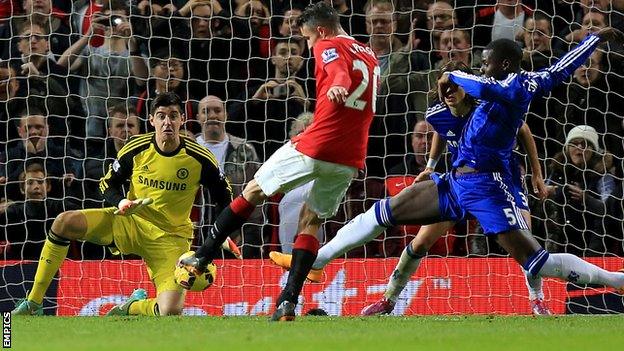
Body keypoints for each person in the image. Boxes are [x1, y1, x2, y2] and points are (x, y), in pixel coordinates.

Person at [272, 28, 624, 317]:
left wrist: (453, 74)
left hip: (491, 186)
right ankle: (319, 260)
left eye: (486, 63)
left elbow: (487, 89)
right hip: (455, 180)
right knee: (386, 211)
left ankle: (613, 279)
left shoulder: (514, 87)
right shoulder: (479, 94)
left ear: (502, 63)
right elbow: (561, 68)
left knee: (536, 260)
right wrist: (594, 38)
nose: (482, 68)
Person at [271, 61, 552, 315]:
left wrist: (536, 175)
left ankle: (536, 299)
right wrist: (430, 165)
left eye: (455, 86)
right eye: (446, 87)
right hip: (461, 183)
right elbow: (441, 132)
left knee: (525, 242)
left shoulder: (487, 106)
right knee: (420, 241)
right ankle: (389, 300)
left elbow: (523, 130)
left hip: (502, 181)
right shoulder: (439, 112)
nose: (450, 92)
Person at [178, 2, 379, 322]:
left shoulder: (327, 44)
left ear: (321, 31)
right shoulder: (369, 54)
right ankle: (288, 301)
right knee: (312, 220)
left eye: (308, 39)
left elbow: (336, 69)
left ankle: (201, 256)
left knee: (254, 190)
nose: (310, 46)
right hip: (350, 157)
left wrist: (339, 83)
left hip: (317, 144)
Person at [11, 92, 233, 316]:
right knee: (63, 223)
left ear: (182, 120)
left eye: (173, 116)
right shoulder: (136, 148)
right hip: (129, 223)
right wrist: (122, 201)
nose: (167, 122)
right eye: (161, 116)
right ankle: (34, 302)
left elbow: (224, 197)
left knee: (170, 310)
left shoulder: (199, 158)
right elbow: (107, 184)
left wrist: (221, 234)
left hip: (170, 239)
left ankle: (132, 306)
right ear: (151, 120)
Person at [195, 95, 260, 259]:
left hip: (236, 237)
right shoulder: (188, 149)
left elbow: (258, 198)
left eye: (217, 110)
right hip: (195, 237)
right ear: (198, 118)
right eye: (205, 111)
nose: (212, 116)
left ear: (226, 115)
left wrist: (248, 237)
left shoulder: (245, 150)